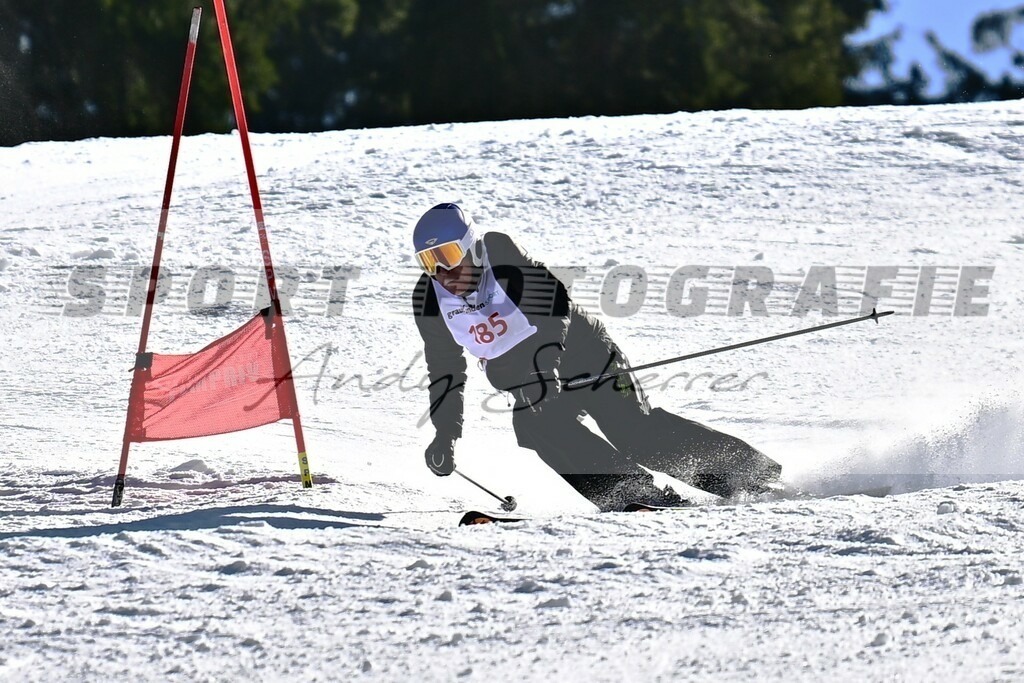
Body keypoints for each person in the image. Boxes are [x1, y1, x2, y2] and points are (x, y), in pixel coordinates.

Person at [411, 203, 781, 511]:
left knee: (636, 433)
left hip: (585, 356)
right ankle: (633, 494)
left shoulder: (501, 253)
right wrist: (445, 435)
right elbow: (445, 369)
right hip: (530, 382)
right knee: (539, 432)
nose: (443, 272)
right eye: (430, 261)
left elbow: (553, 306)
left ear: (473, 246)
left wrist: (546, 366)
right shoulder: (430, 301)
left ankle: (751, 475)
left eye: (448, 255)